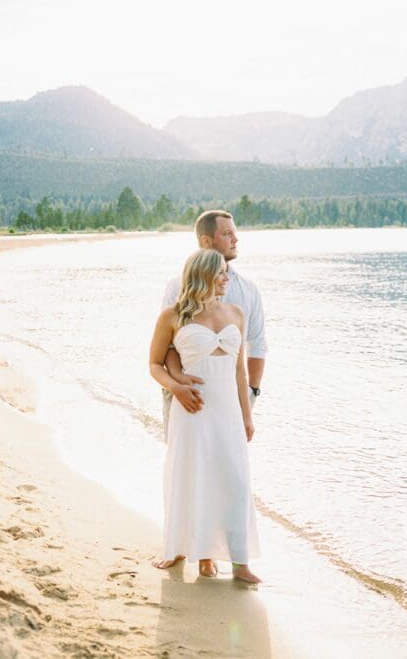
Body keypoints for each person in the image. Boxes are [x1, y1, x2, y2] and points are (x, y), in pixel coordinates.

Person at [149, 248, 262, 583]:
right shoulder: (172, 316)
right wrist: (177, 388)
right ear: (204, 275)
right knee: (193, 477)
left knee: (234, 481)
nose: (228, 278)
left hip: (227, 410)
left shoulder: (236, 313)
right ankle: (199, 555)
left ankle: (240, 563)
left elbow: (240, 371)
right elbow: (155, 364)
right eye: (222, 273)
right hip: (192, 410)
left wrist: (247, 416)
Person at [160, 210, 266, 435]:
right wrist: (177, 385)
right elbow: (166, 346)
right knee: (185, 460)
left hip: (231, 395)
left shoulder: (248, 290)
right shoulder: (177, 287)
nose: (235, 240)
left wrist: (252, 393)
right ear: (206, 241)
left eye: (235, 233)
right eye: (227, 234)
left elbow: (256, 344)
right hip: (187, 394)